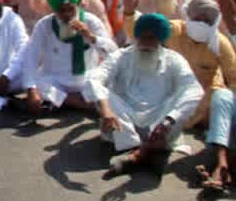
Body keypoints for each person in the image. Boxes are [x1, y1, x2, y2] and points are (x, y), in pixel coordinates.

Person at [83, 13, 203, 176]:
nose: (146, 42)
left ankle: (138, 154)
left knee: (190, 92)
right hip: (124, 123)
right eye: (143, 37)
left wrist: (169, 120)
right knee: (100, 91)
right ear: (137, 37)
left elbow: (193, 89)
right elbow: (95, 79)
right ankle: (150, 152)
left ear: (161, 40)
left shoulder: (174, 59)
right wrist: (106, 110)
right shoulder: (121, 56)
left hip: (160, 124)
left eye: (152, 38)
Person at [124, 0, 236, 128]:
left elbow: (234, 76)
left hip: (204, 100)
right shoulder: (173, 29)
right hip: (170, 88)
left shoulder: (219, 43)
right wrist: (129, 12)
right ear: (188, 16)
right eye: (197, 18)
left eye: (206, 21)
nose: (201, 23)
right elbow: (136, 33)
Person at [19, 0, 116, 114]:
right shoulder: (44, 25)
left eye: (70, 9)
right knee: (36, 81)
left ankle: (64, 101)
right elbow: (31, 56)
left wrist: (91, 37)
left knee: (100, 82)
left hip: (85, 80)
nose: (67, 14)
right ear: (53, 10)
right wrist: (31, 91)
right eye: (61, 11)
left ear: (77, 5)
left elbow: (113, 54)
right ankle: (76, 101)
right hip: (56, 81)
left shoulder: (92, 21)